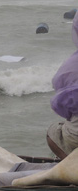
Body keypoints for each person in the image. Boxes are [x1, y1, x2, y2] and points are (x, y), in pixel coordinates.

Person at [47, 12, 78, 159]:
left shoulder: (72, 64)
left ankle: (71, 166)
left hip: (76, 134)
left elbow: (61, 102)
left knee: (53, 132)